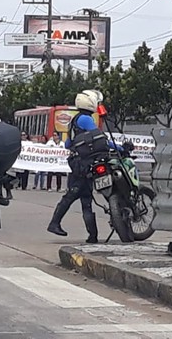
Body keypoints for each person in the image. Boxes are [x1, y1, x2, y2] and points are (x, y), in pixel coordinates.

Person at [47, 89, 115, 243]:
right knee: (74, 195)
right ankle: (55, 223)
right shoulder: (85, 119)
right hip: (83, 164)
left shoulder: (75, 119)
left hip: (79, 163)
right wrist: (117, 147)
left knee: (86, 199)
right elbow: (99, 138)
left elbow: (68, 144)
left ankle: (93, 236)